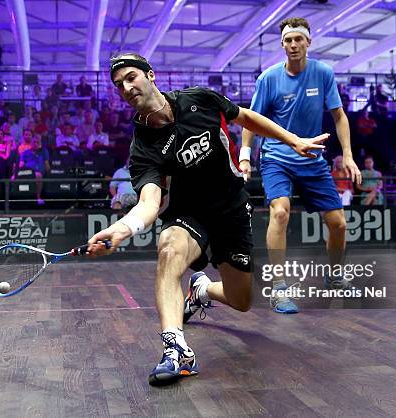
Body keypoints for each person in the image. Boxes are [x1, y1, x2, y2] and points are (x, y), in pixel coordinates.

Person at [85, 53, 328, 386]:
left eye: (130, 78)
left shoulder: (198, 99)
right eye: (118, 85)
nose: (125, 88)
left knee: (242, 301)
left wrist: (293, 139)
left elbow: (246, 117)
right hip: (188, 215)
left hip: (230, 209)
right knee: (168, 248)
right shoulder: (143, 148)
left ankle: (202, 291)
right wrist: (122, 228)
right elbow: (149, 201)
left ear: (150, 75)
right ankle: (177, 350)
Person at [240, 17, 361, 314]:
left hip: (312, 158)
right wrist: (244, 154)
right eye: (288, 40)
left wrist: (347, 155)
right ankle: (279, 288)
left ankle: (334, 277)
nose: (293, 45)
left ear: (308, 42)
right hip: (276, 156)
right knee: (279, 212)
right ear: (282, 45)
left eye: (298, 39)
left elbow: (339, 116)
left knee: (338, 224)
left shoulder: (323, 73)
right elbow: (250, 119)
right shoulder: (268, 78)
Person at [19, 135, 49, 205]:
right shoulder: (25, 153)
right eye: (34, 142)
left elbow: (47, 165)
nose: (35, 144)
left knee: (38, 175)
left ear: (40, 144)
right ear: (31, 143)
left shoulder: (44, 152)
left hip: (39, 172)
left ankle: (38, 197)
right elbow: (21, 165)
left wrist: (48, 173)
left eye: (37, 142)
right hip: (27, 172)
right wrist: (16, 174)